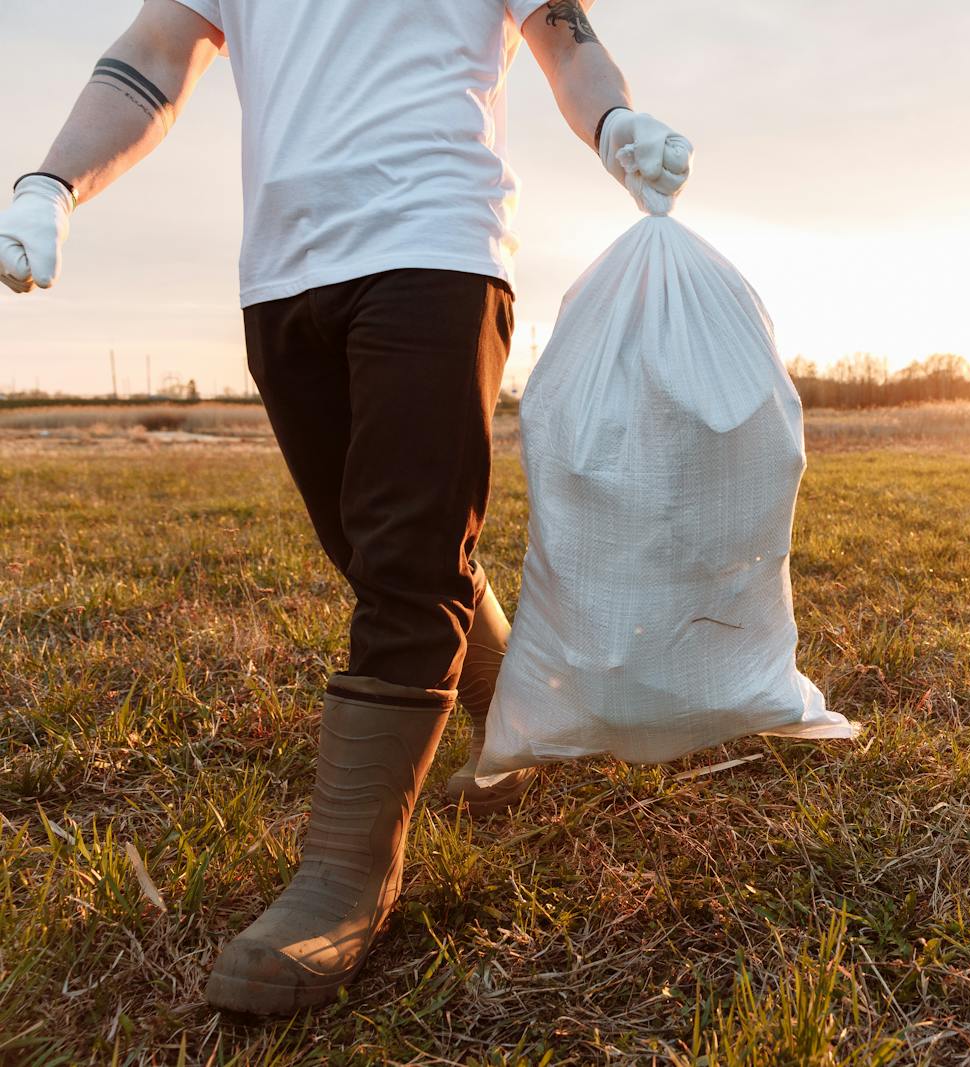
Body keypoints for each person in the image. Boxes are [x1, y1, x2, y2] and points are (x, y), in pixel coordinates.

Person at [0, 0, 691, 1015]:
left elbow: (563, 36)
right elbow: (152, 54)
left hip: (437, 246)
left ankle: (344, 878)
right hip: (282, 272)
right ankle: (526, 713)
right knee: (377, 543)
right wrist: (49, 184)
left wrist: (614, 123)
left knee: (408, 561)